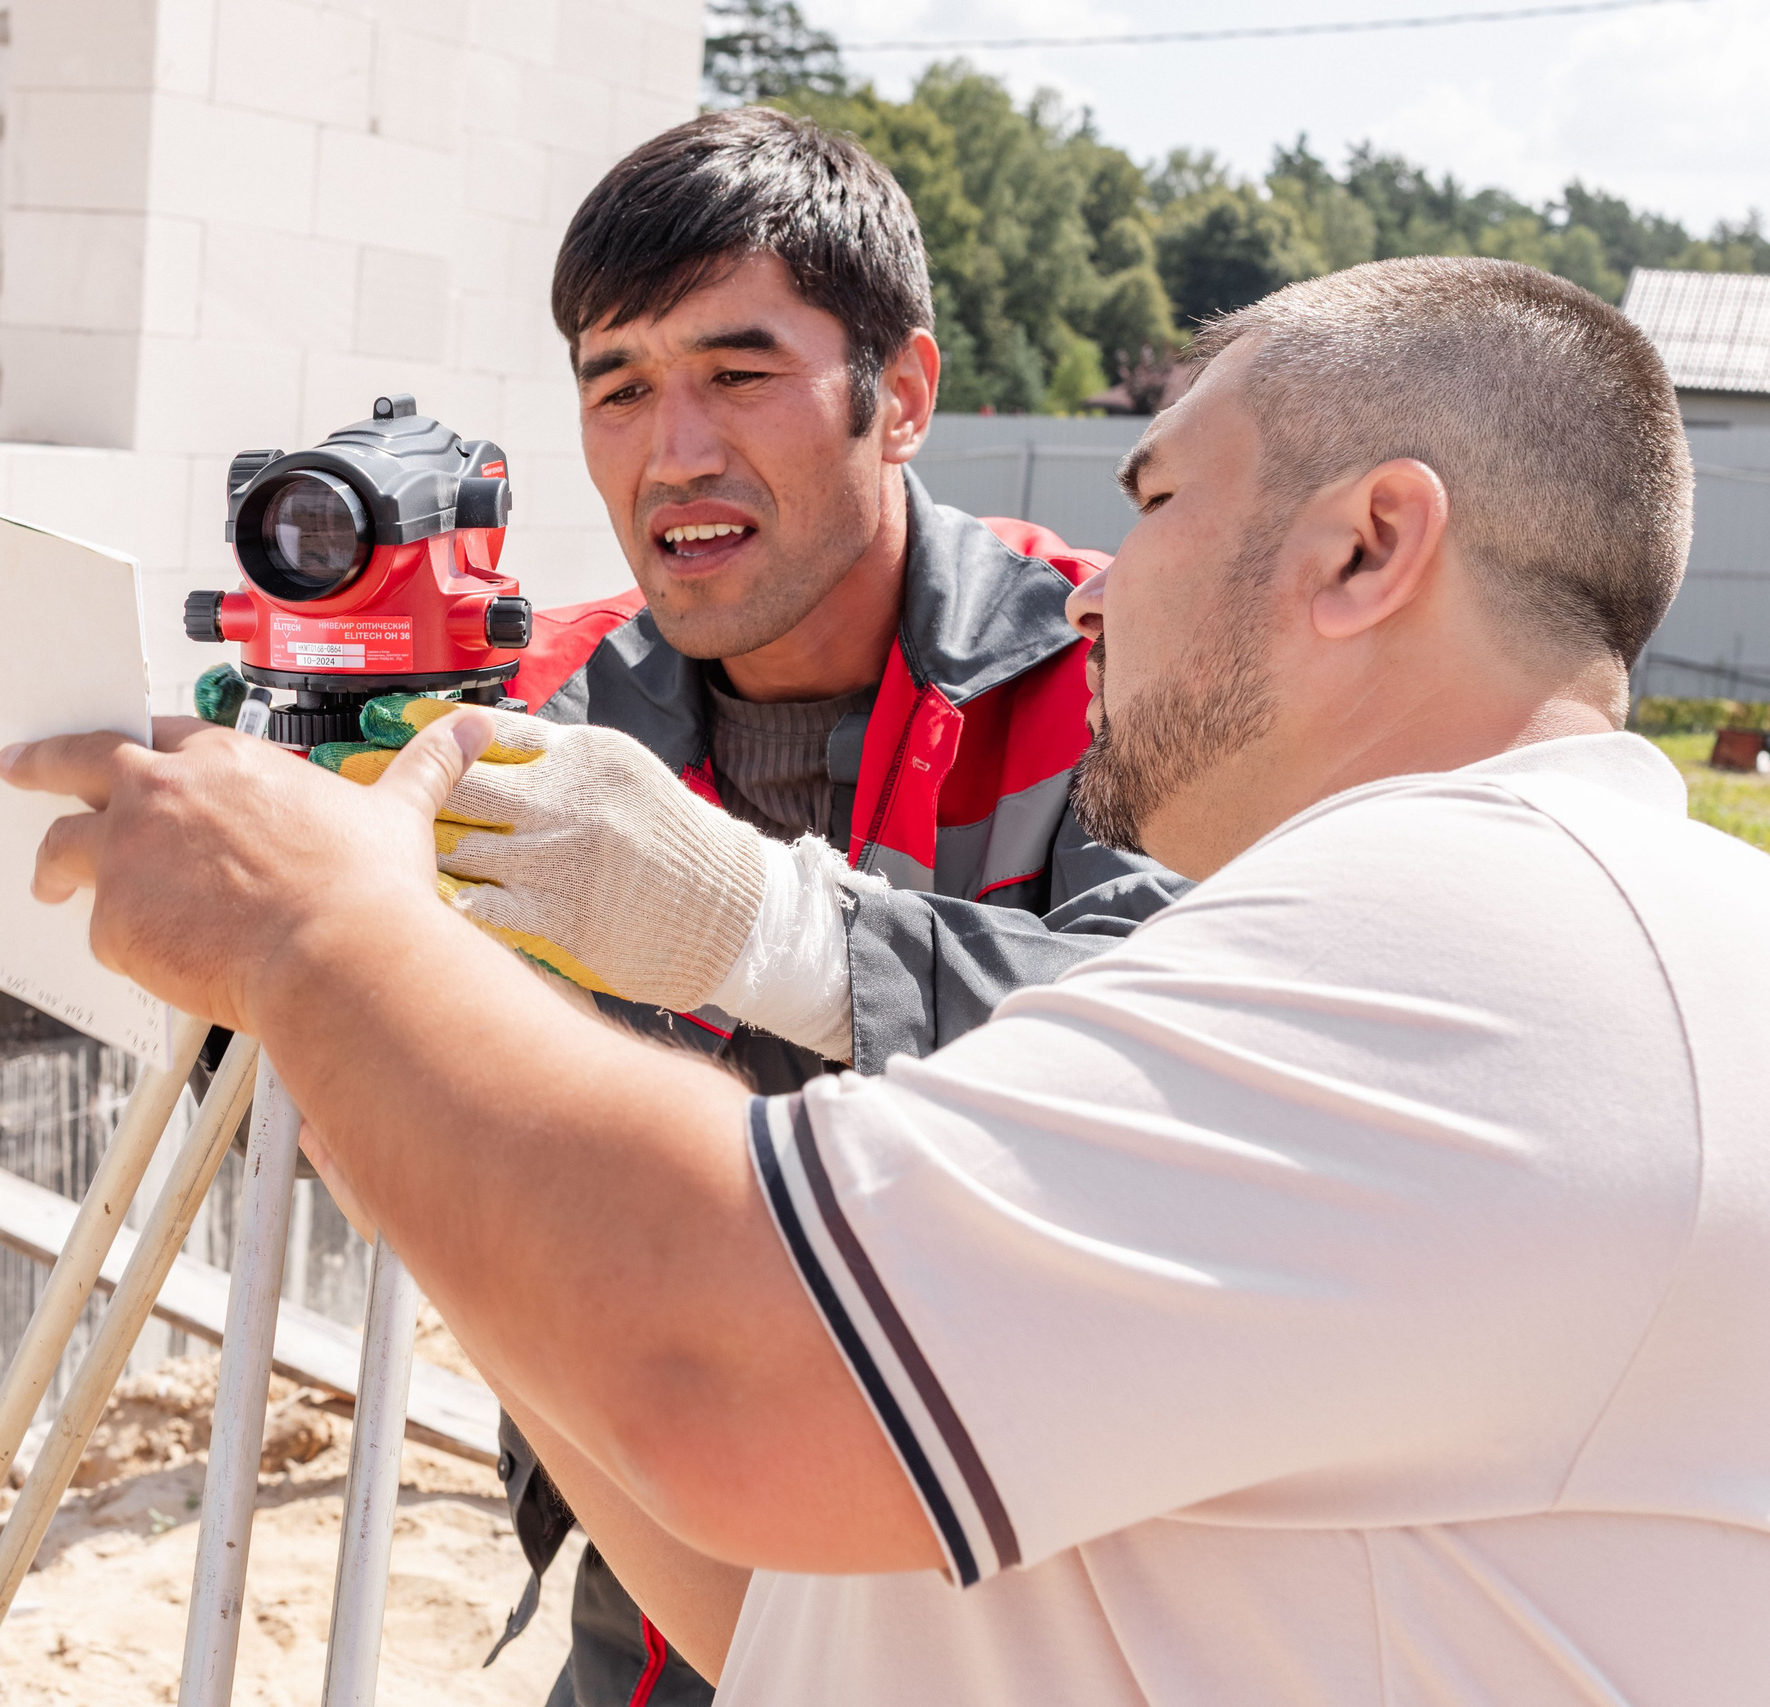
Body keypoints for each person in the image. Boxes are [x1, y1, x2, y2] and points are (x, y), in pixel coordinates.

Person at [3, 256, 1770, 1703]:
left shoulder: (1493, 950)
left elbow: (727, 1368)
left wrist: (324, 935)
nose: (1098, 586)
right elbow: (791, 1590)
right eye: (618, 383)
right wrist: (383, 1077)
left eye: (1158, 503)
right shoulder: (1509, 939)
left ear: (1366, 547)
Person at [244, 106, 1185, 1704]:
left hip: (1031, 1586)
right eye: (617, 387)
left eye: (738, 375)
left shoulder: (1114, 676)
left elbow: (1201, 1061)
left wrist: (762, 926)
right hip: (657, 1571)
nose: (673, 449)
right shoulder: (537, 711)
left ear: (902, 396)